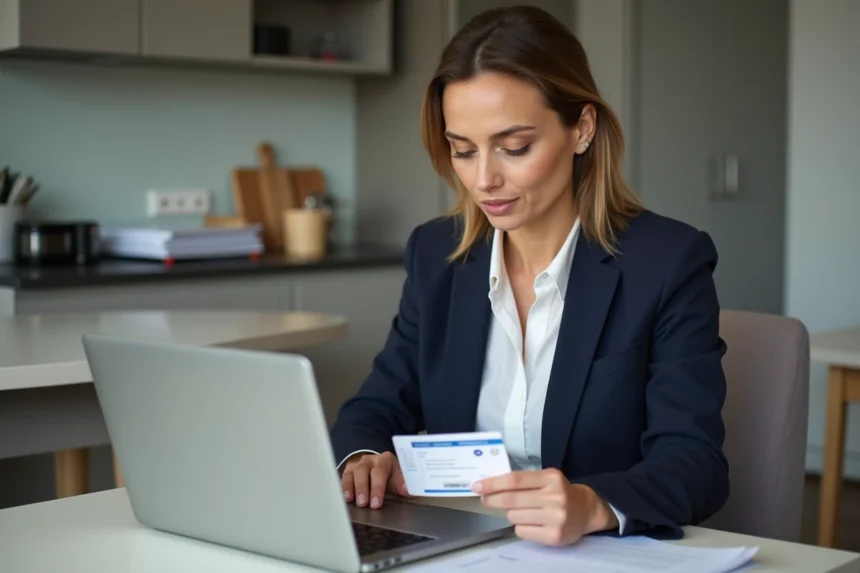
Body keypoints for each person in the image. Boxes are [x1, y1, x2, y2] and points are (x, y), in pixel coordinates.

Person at [329, 5, 729, 546]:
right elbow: (376, 405)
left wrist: (594, 505)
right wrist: (360, 459)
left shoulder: (667, 262)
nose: (485, 179)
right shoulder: (437, 254)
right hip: (459, 548)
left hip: (592, 556)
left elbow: (695, 462)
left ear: (582, 129)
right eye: (463, 151)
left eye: (514, 147)